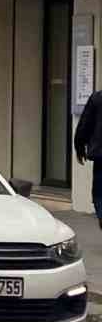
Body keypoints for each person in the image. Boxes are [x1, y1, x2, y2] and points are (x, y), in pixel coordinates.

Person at [74, 88, 102, 230]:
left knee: (99, 193)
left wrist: (79, 147)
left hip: (101, 157)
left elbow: (85, 125)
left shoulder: (97, 98)